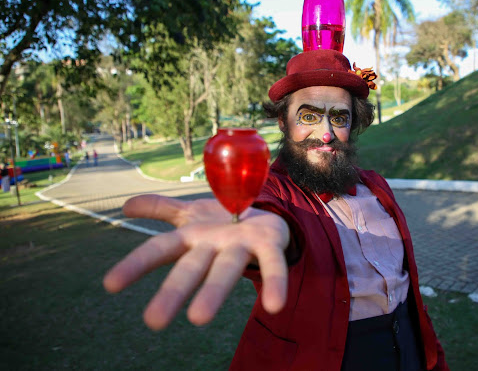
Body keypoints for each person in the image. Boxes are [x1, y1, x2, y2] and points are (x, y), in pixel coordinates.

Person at [103, 49, 448, 370]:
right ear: (283, 121)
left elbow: (410, 290)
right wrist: (259, 228)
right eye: (308, 115)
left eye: (339, 118)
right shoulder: (272, 192)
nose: (325, 133)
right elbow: (272, 220)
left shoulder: (377, 186)